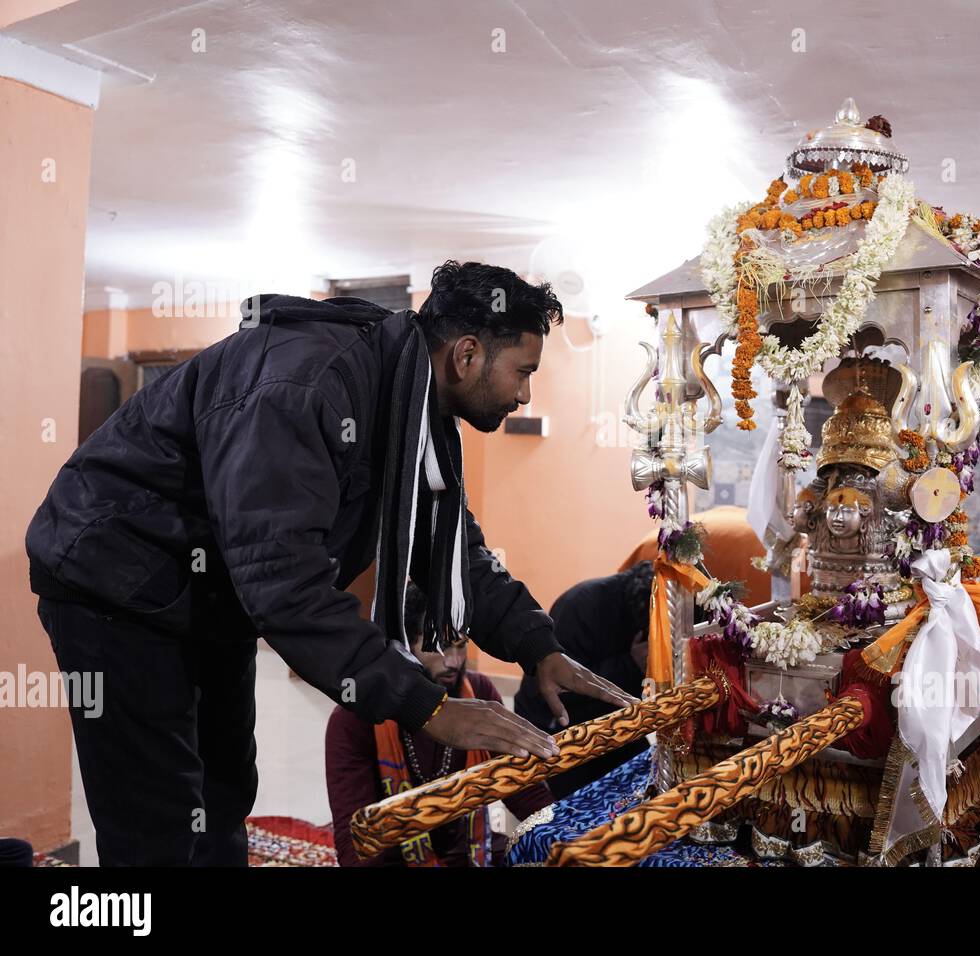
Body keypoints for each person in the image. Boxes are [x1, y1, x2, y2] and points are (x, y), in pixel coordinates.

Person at [26, 260, 635, 866]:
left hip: (207, 591)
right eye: (524, 371)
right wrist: (428, 706)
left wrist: (539, 647)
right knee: (156, 817)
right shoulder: (308, 383)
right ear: (468, 355)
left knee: (222, 790)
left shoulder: (409, 398)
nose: (524, 393)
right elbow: (283, 581)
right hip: (114, 579)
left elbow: (448, 544)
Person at [326, 582, 552, 866]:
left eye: (461, 646)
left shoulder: (478, 694)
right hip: (395, 859)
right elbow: (355, 841)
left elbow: (521, 786)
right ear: (405, 645)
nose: (454, 662)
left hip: (472, 852)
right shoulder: (355, 716)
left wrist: (565, 835)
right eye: (440, 645)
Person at [514, 562, 655, 798]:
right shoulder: (584, 605)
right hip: (558, 728)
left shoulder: (641, 609)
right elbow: (564, 692)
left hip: (613, 724)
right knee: (581, 817)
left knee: (646, 791)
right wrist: (631, 664)